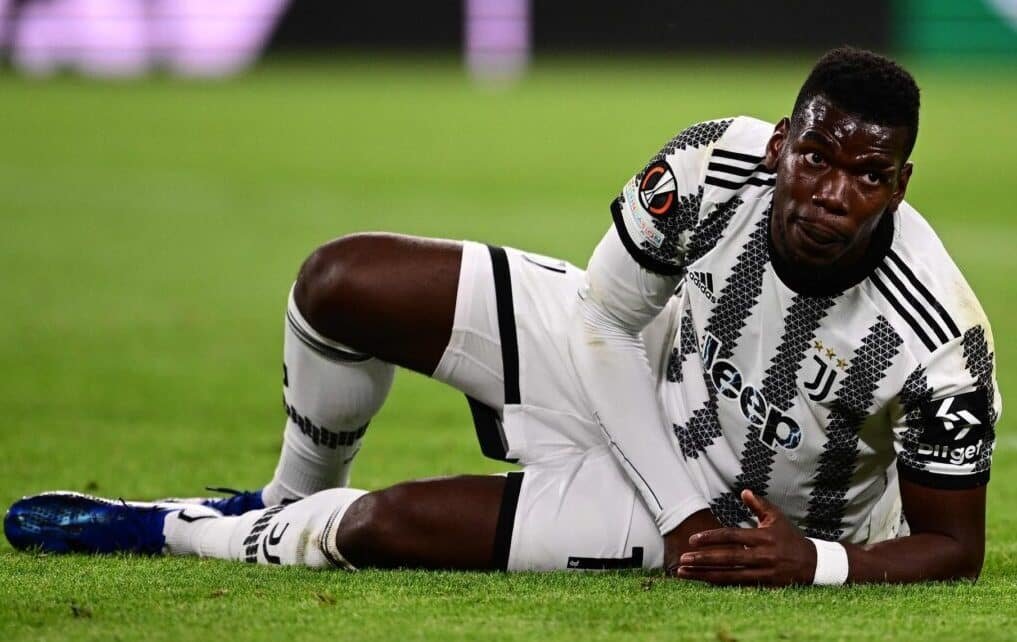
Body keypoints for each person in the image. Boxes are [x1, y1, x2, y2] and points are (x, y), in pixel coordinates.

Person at [5, 47, 1000, 586]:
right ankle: (279, 497)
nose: (832, 193)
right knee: (340, 282)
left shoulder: (939, 341)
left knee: (384, 528)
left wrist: (812, 562)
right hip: (645, 373)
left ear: (899, 183)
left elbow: (954, 548)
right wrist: (678, 501)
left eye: (867, 175)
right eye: (816, 158)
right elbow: (604, 321)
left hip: (743, 519)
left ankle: (173, 533)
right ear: (781, 145)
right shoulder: (713, 163)